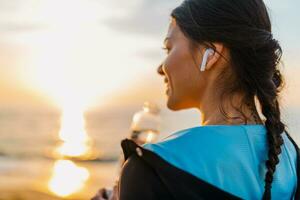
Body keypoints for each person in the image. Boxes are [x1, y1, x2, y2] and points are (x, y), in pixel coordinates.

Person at [93, 0, 300, 199]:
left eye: (169, 48)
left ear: (210, 54)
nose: (160, 68)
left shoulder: (152, 168)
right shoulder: (291, 157)